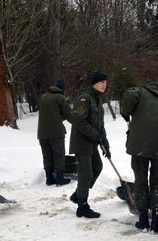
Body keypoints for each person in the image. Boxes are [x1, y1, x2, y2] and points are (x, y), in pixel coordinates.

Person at [120, 81, 158, 232]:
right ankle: (156, 221)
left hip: (139, 148)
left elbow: (129, 93)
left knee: (140, 181)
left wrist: (125, 113)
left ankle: (143, 220)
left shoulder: (140, 92)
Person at [68, 71, 111, 219]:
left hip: (91, 143)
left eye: (105, 82)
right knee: (85, 174)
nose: (104, 85)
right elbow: (77, 119)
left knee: (97, 167)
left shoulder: (98, 101)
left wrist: (106, 145)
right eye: (101, 82)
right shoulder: (84, 99)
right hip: (82, 143)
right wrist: (95, 136)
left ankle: (79, 194)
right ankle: (82, 207)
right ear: (94, 83)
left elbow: (100, 126)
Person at [37, 80, 72, 186]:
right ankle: (60, 178)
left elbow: (50, 114)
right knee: (59, 155)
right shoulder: (60, 98)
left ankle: (49, 178)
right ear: (63, 89)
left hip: (42, 133)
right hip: (56, 133)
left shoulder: (43, 97)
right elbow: (68, 114)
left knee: (47, 155)